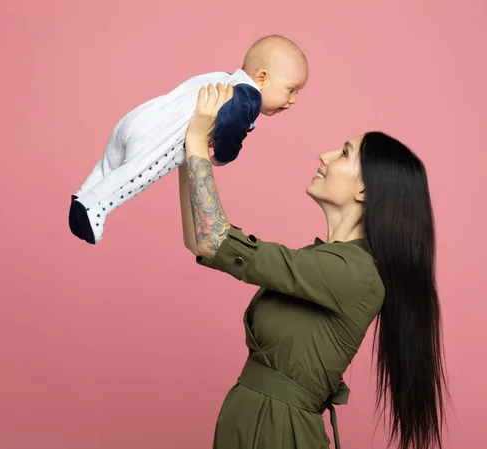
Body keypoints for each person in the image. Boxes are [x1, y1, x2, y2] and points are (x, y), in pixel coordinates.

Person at [179, 83, 446, 449]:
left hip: (280, 434)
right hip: (251, 424)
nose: (324, 155)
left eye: (344, 153)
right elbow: (201, 240)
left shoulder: (357, 273)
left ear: (364, 191)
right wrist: (187, 153)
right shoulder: (322, 259)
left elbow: (214, 239)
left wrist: (197, 142)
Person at [69, 35, 308, 244]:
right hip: (163, 137)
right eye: (291, 90)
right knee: (139, 174)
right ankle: (96, 206)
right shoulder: (248, 97)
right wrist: (226, 155)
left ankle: (83, 196)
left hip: (140, 117)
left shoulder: (222, 78)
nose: (293, 100)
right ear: (263, 78)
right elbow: (232, 127)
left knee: (108, 164)